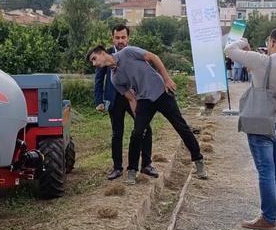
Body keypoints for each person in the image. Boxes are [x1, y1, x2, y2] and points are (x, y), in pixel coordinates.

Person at [87, 45, 207, 184]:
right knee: (137, 133)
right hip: (144, 100)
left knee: (181, 126)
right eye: (92, 62)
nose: (94, 63)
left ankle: (198, 161)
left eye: (94, 59)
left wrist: (167, 79)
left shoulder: (127, 52)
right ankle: (132, 171)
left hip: (161, 92)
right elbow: (131, 98)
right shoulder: (115, 78)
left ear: (102, 53)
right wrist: (138, 118)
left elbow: (153, 57)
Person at [224, 27, 276, 230]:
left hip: (262, 121)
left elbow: (229, 49)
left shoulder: (262, 61)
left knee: (265, 170)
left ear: (273, 42)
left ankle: (268, 217)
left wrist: (243, 41)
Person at [93, 25, 154, 181]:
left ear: (128, 38)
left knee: (145, 128)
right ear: (112, 38)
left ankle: (146, 164)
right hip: (115, 99)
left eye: (123, 37)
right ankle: (117, 168)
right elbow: (99, 79)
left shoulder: (135, 52)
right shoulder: (104, 54)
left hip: (134, 97)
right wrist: (99, 101)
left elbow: (145, 73)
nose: (120, 40)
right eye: (117, 38)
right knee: (117, 134)